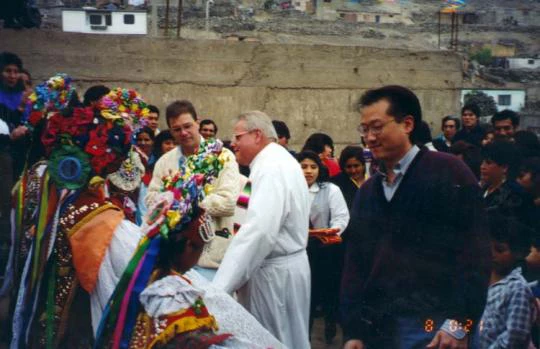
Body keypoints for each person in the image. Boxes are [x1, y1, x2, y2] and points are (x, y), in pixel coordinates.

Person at [342, 85, 490, 349]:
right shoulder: (368, 191)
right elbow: (356, 264)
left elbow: (475, 253)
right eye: (364, 130)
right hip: (380, 327)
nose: (370, 138)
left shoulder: (449, 172)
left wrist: (460, 323)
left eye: (377, 127)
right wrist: (354, 330)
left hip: (436, 327)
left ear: (407, 124)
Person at [213, 110, 311, 349]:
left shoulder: (271, 167)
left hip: (273, 274)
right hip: (283, 268)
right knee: (290, 338)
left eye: (238, 137)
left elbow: (259, 231)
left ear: (257, 135)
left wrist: (219, 289)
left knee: (273, 340)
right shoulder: (274, 161)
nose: (233, 144)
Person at [147, 100, 240, 282]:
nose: (183, 133)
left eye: (188, 126)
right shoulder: (165, 161)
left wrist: (184, 201)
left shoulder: (223, 156)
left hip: (210, 259)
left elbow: (228, 203)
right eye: (176, 129)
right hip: (172, 259)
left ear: (198, 122)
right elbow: (151, 198)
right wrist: (172, 200)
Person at [297, 150, 349, 344]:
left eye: (313, 167)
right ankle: (305, 339)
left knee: (328, 292)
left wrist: (330, 232)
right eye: (303, 166)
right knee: (307, 297)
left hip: (326, 249)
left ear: (320, 169)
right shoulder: (290, 188)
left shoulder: (330, 190)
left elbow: (341, 217)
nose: (308, 171)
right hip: (301, 248)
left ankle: (330, 328)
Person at [479, 215, 536, 348]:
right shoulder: (480, 279)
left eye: (499, 250)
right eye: (488, 248)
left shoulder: (517, 288)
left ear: (518, 254)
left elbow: (515, 335)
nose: (492, 254)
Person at [481, 140, 535, 228]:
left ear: (504, 167)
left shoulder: (516, 195)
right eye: (482, 162)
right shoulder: (482, 189)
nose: (482, 167)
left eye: (488, 163)